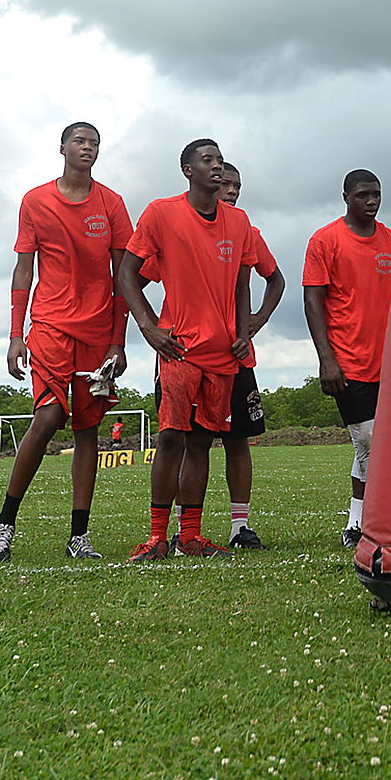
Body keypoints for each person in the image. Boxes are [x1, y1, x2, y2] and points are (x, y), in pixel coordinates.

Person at [0, 122, 134, 565]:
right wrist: (15, 336)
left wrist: (117, 342)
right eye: (80, 141)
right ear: (63, 148)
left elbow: (123, 279)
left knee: (88, 431)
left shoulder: (112, 203)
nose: (88, 147)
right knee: (48, 416)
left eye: (95, 143)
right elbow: (22, 271)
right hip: (48, 326)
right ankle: (4, 525)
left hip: (98, 333)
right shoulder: (35, 200)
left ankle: (79, 535)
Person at [117, 140, 253, 560]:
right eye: (206, 161)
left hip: (222, 357)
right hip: (177, 349)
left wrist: (245, 330)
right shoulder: (161, 213)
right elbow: (126, 273)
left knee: (201, 443)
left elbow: (244, 285)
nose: (215, 167)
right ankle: (158, 538)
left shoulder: (240, 221)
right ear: (186, 170)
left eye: (219, 160)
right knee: (172, 437)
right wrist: (147, 326)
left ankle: (190, 538)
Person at [303, 169, 391, 548]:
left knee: (374, 446)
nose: (371, 201)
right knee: (371, 442)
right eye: (362, 195)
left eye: (376, 194)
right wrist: (327, 360)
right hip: (349, 363)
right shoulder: (325, 240)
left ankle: (357, 524)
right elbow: (313, 301)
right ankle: (375, 521)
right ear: (346, 197)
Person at [215, 160, 286, 549]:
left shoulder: (247, 231)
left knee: (237, 440)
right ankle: (181, 528)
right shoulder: (180, 223)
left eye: (236, 185)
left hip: (236, 352)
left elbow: (275, 278)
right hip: (190, 351)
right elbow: (140, 274)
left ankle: (239, 526)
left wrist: (257, 320)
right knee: (184, 441)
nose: (231, 191)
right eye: (225, 183)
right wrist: (158, 326)